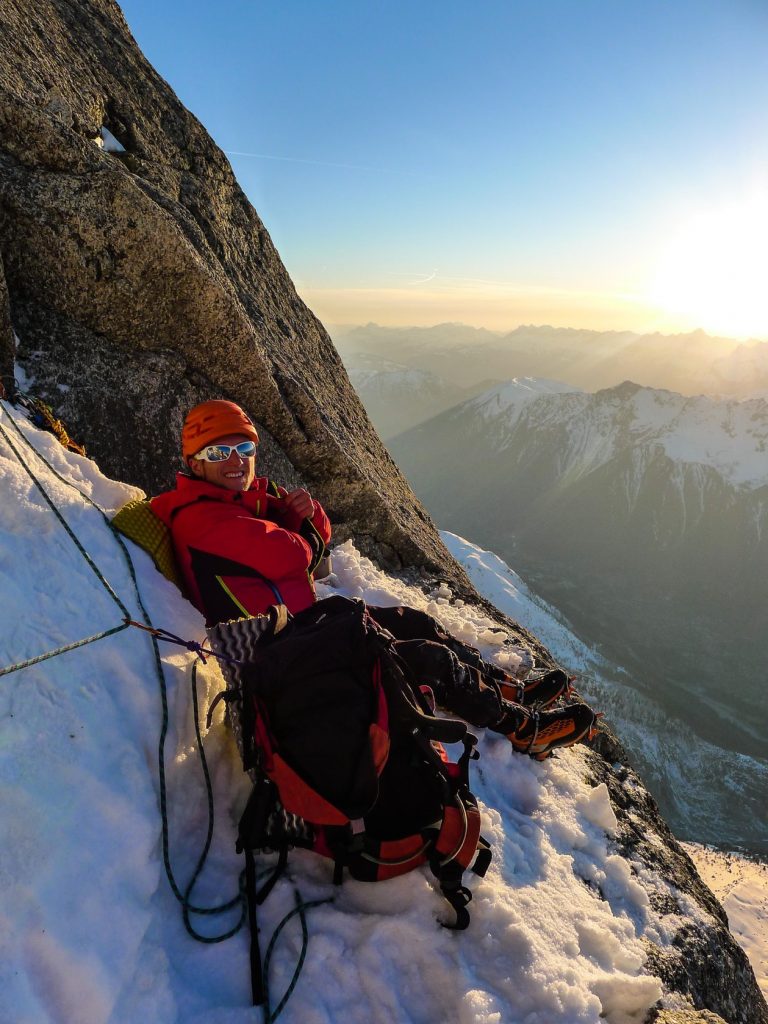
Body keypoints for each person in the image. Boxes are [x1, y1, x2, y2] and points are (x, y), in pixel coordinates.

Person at [151, 400, 596, 758]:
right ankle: (521, 728)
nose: (235, 461)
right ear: (194, 462)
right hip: (279, 657)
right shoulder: (203, 519)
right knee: (426, 658)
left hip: (301, 630)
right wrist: (298, 526)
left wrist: (301, 523)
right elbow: (293, 555)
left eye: (244, 449)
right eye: (218, 452)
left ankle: (508, 688)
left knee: (413, 622)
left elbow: (317, 532)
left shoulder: (244, 501)